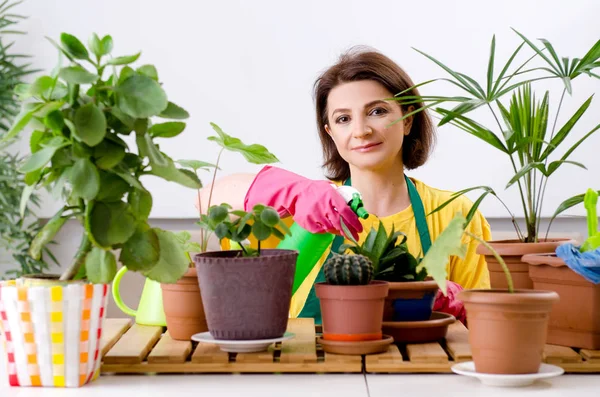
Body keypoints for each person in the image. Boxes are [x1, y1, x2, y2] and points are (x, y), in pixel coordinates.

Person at [198, 46, 491, 325]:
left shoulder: (456, 214)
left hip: (420, 367)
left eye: (377, 111)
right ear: (330, 133)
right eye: (343, 119)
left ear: (407, 119)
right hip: (308, 369)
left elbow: (486, 322)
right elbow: (206, 199)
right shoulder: (306, 213)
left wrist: (456, 303)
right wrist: (296, 195)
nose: (361, 131)